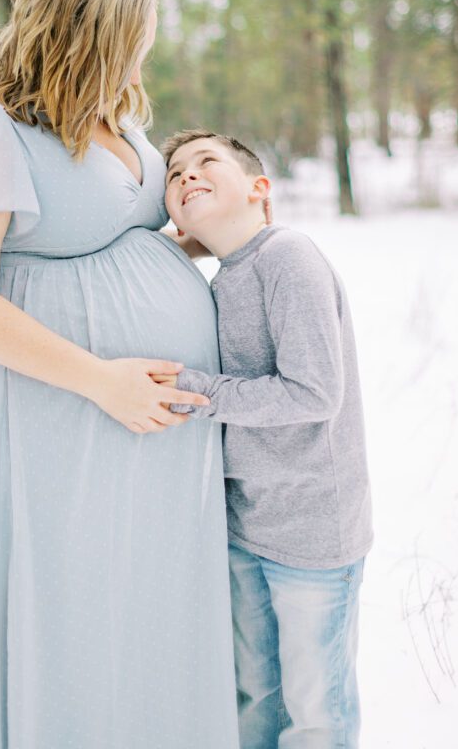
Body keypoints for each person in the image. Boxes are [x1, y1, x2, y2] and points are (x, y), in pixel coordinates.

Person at [0, 0, 241, 749]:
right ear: (87, 35)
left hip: (146, 428)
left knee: (138, 602)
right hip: (55, 413)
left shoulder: (119, 122)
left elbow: (119, 240)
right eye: (135, 36)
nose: (143, 54)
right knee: (69, 598)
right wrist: (101, 380)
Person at [156, 129, 373, 749]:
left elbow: (313, 392)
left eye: (205, 164)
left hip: (313, 532)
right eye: (174, 176)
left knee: (315, 709)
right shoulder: (224, 276)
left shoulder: (287, 256)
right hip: (248, 522)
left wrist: (198, 392)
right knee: (257, 697)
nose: (187, 176)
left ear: (259, 191)